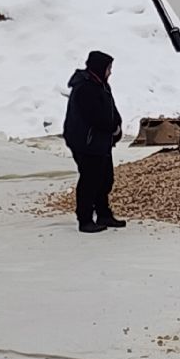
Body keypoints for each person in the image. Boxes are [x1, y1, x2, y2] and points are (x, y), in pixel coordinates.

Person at [64, 50, 125, 233]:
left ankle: (104, 213)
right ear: (100, 68)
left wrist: (117, 125)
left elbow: (111, 110)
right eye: (108, 68)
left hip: (100, 141)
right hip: (86, 142)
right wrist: (112, 127)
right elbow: (95, 117)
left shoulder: (102, 86)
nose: (110, 72)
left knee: (105, 178)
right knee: (90, 180)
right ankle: (85, 219)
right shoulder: (85, 88)